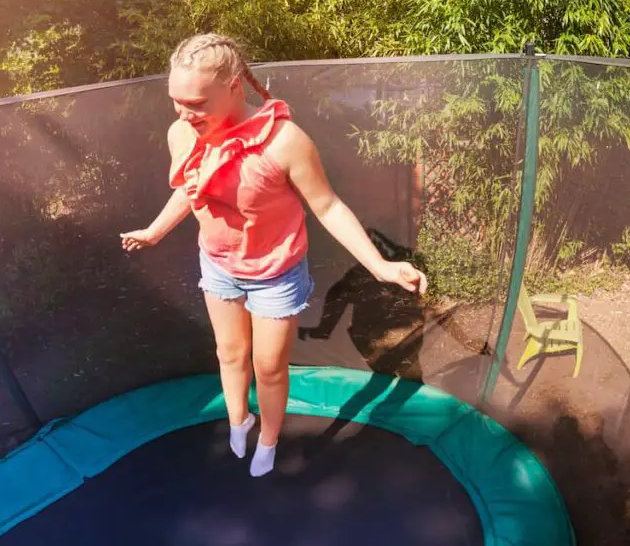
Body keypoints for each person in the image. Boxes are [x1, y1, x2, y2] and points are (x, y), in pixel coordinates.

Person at [120, 33, 427, 477]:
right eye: (176, 102)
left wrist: (379, 265)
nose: (185, 114)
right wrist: (154, 232)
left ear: (233, 88)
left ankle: (267, 438)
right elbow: (192, 189)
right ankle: (238, 421)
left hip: (274, 273)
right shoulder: (182, 133)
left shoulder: (283, 142)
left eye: (197, 103)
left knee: (268, 367)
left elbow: (327, 206)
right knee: (229, 353)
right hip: (219, 264)